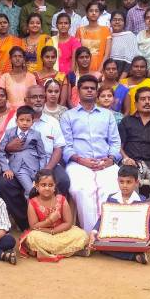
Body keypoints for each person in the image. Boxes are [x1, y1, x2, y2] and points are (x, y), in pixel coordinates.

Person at [1, 85, 71, 228]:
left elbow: (58, 148)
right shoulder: (15, 120)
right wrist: (9, 147)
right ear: (26, 100)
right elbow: (4, 146)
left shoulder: (52, 122)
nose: (38, 100)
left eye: (41, 97)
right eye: (34, 97)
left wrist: (47, 169)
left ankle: (54, 220)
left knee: (63, 180)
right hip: (20, 164)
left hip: (48, 163)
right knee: (4, 183)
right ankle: (26, 224)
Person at [61, 75, 121, 232]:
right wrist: (81, 160)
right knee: (81, 189)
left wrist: (111, 159)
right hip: (78, 163)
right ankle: (92, 234)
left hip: (105, 163)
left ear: (96, 92)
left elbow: (115, 142)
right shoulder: (68, 115)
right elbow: (66, 146)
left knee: (112, 188)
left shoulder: (107, 115)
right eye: (85, 88)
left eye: (92, 88)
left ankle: (109, 233)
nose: (89, 91)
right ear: (78, 91)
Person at [88, 165, 150, 264]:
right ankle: (135, 256)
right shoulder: (111, 198)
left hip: (134, 236)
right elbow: (102, 219)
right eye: (121, 182)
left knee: (144, 243)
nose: (124, 185)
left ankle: (134, 253)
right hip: (115, 235)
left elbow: (149, 221)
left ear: (136, 183)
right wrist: (94, 232)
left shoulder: (142, 200)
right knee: (101, 245)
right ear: (117, 181)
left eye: (129, 182)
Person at [19, 170, 89, 261]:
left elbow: (68, 223)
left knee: (82, 235)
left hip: (61, 232)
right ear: (36, 186)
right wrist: (49, 221)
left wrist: (53, 231)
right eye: (43, 185)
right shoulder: (32, 202)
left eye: (50, 185)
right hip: (42, 233)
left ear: (55, 186)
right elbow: (34, 226)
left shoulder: (62, 199)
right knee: (32, 237)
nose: (47, 188)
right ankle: (70, 251)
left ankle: (46, 252)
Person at [0, 105, 48, 199]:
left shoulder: (36, 134)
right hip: (18, 167)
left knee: (40, 188)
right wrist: (6, 169)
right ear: (16, 121)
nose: (25, 123)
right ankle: (31, 200)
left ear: (32, 122)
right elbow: (1, 152)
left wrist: (41, 170)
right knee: (32, 190)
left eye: (28, 120)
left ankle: (29, 200)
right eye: (21, 120)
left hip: (34, 166)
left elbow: (42, 155)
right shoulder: (9, 133)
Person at [77, 2, 112, 72]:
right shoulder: (80, 30)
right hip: (82, 71)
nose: (94, 13)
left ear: (100, 14)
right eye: (91, 11)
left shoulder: (106, 30)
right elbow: (77, 53)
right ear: (87, 13)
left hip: (100, 69)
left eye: (96, 11)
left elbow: (107, 54)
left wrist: (98, 72)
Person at [109, 11, 138, 80]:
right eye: (114, 20)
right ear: (110, 22)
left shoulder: (130, 36)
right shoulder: (107, 36)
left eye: (120, 20)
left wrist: (120, 81)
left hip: (124, 76)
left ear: (124, 23)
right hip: (108, 74)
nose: (117, 22)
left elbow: (130, 61)